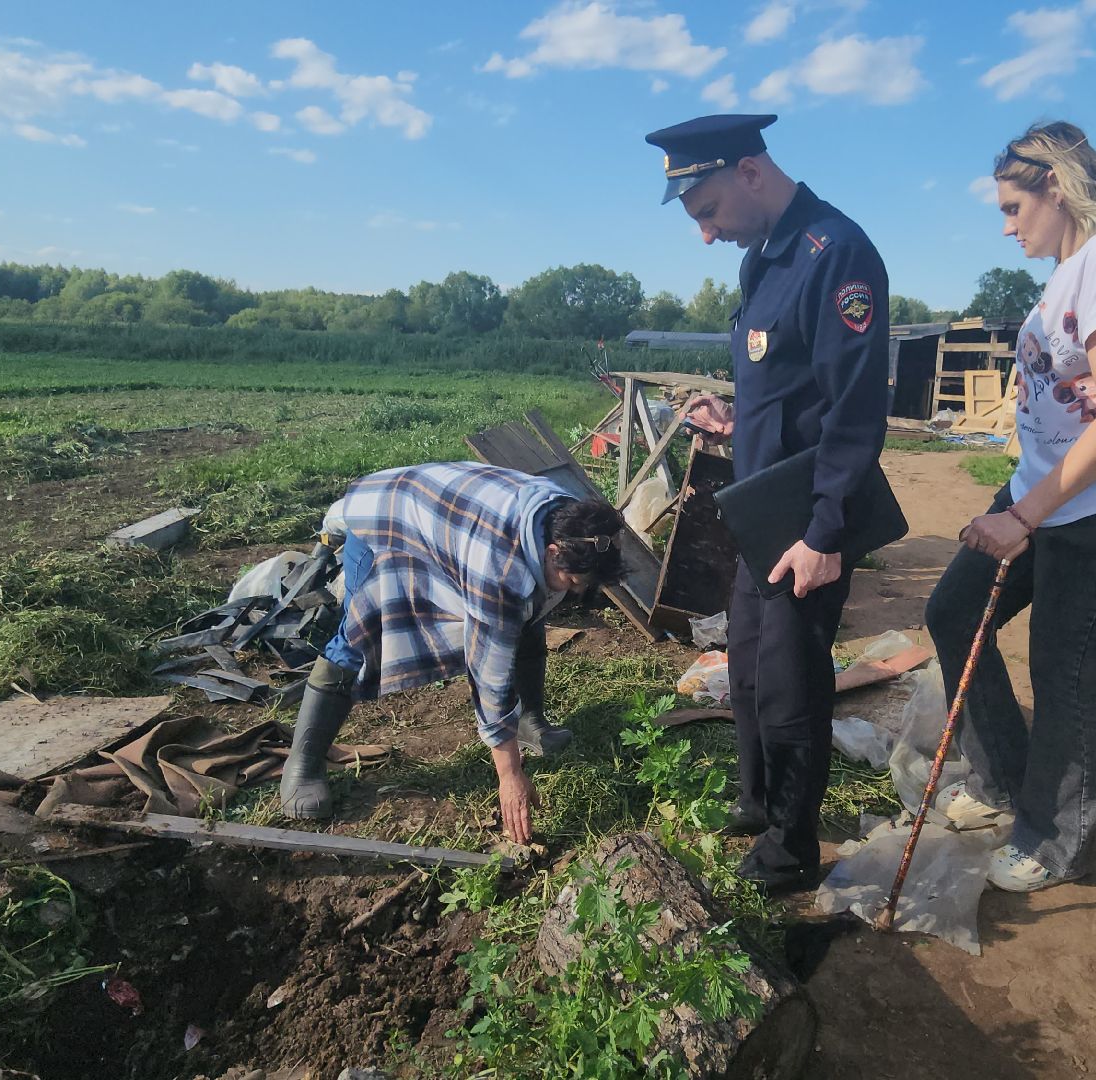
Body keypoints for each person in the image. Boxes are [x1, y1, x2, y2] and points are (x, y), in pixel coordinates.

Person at [925, 121, 1096, 893]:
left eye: (1012, 207)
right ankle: (1004, 779)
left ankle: (1052, 840)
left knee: (1063, 674)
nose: (1006, 226)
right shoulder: (1072, 270)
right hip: (1045, 493)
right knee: (953, 613)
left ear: (1056, 189)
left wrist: (1021, 516)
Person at [644, 113, 890, 892]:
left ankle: (791, 850)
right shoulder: (764, 260)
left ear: (749, 171)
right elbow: (782, 387)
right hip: (760, 513)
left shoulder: (834, 254)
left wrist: (825, 532)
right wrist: (731, 420)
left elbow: (852, 416)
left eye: (707, 211)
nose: (707, 235)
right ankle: (758, 803)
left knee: (790, 686)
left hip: (805, 521)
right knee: (746, 667)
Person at [278, 461, 626, 846]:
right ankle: (303, 764)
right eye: (573, 580)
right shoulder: (500, 566)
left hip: (449, 516)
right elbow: (487, 674)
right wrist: (509, 776)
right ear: (553, 550)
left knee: (527, 612)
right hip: (388, 519)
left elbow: (524, 608)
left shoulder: (573, 520)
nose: (576, 592)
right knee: (360, 634)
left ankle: (529, 721)